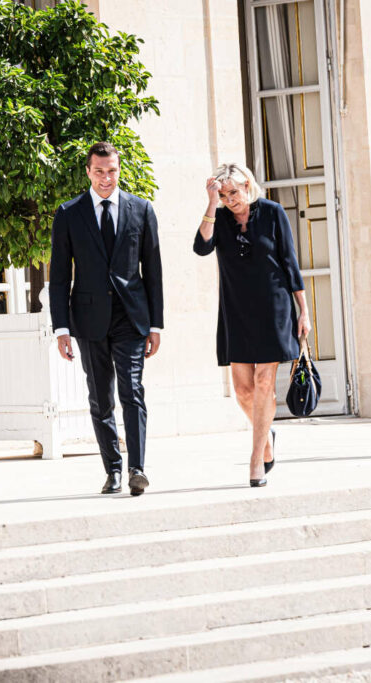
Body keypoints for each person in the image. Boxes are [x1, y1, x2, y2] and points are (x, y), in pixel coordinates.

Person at [49, 142, 164, 496]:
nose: (105, 178)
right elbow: (59, 276)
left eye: (111, 170)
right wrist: (61, 327)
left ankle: (137, 469)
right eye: (98, 171)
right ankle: (113, 470)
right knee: (100, 398)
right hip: (88, 320)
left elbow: (154, 270)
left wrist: (156, 324)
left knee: (133, 392)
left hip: (131, 319)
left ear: (119, 169)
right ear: (88, 171)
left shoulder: (141, 210)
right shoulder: (69, 214)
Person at [193, 163, 311, 487]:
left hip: (273, 308)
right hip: (236, 311)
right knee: (243, 390)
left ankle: (256, 459)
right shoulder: (219, 220)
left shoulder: (272, 213)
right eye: (224, 194)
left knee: (263, 382)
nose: (231, 199)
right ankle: (267, 437)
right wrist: (210, 203)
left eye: (234, 191)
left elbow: (289, 262)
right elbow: (201, 246)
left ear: (248, 184)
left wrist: (304, 311)